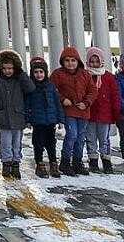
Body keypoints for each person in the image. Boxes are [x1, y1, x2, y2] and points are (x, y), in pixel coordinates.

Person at [50, 46, 97, 176]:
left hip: (83, 110)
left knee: (81, 137)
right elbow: (52, 90)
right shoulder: (58, 74)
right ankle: (65, 161)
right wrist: (62, 99)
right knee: (72, 135)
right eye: (67, 60)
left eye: (73, 60)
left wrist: (86, 102)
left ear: (78, 61)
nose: (70, 63)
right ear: (63, 62)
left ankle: (77, 161)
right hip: (69, 110)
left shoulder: (85, 74)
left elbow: (93, 91)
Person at [0, 49, 35, 179]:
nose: (7, 71)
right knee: (5, 143)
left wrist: (21, 74)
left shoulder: (19, 81)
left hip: (18, 117)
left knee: (17, 143)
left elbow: (30, 88)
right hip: (3, 118)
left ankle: (16, 163)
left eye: (10, 68)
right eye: (4, 68)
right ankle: (6, 163)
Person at [25, 56, 65, 178]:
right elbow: (27, 104)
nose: (39, 75)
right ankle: (39, 163)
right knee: (38, 143)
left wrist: (60, 119)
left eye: (41, 72)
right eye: (36, 72)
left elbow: (57, 102)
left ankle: (53, 163)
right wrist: (28, 119)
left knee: (51, 143)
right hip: (38, 121)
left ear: (45, 72)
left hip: (50, 120)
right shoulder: (31, 87)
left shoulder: (50, 86)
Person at [85, 47, 121, 174]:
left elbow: (115, 96)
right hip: (89, 114)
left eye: (96, 61)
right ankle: (93, 160)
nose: (94, 64)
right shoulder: (85, 76)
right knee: (90, 139)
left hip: (104, 114)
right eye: (92, 61)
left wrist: (116, 113)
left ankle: (106, 161)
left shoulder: (109, 77)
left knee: (104, 139)